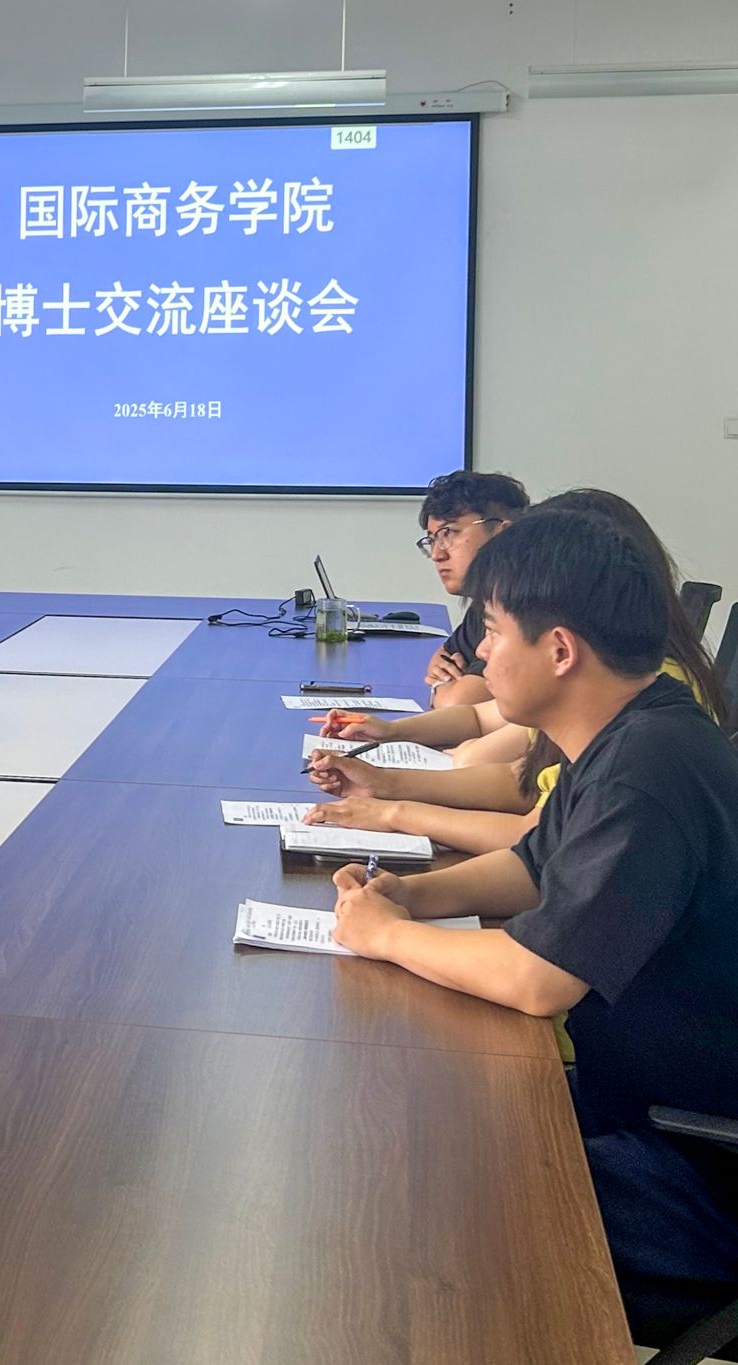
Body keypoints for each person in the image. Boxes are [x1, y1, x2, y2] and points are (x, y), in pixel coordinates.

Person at [325, 509, 738, 1344]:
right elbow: (530, 866)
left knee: (415, 1212)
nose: (479, 654)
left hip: (697, 1171)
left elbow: (538, 978)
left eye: (494, 630)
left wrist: (384, 935)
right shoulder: (629, 730)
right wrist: (408, 896)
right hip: (643, 1107)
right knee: (414, 1129)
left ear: (559, 650)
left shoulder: (648, 770)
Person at [306, 488, 723, 854]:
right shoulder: (608, 690)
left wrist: (395, 812)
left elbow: (535, 838)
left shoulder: (630, 709)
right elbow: (522, 782)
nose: (483, 649)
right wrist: (383, 781)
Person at [417, 470, 529, 709]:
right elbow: (442, 658)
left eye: (448, 533)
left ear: (502, 532)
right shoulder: (485, 599)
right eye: (432, 540)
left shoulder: (521, 604)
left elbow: (457, 704)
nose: (437, 554)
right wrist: (445, 682)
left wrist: (439, 687)